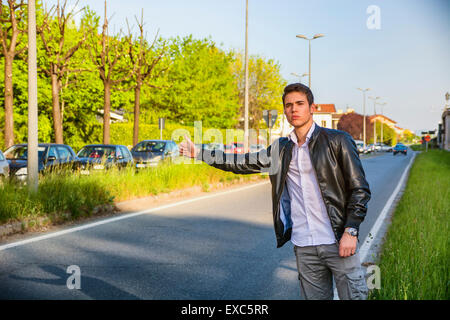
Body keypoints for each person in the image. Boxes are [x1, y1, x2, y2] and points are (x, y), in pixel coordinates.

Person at [179, 83, 371, 300]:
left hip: (338, 240)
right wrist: (200, 153)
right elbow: (242, 162)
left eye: (299, 104)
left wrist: (351, 231)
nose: (294, 109)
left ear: (312, 108)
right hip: (304, 244)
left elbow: (360, 189)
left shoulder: (337, 140)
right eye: (288, 106)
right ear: (285, 111)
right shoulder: (281, 149)